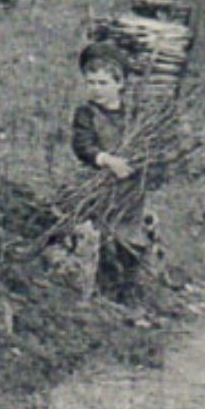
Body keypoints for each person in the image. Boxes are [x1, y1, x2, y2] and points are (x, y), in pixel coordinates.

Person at [69, 41, 152, 302]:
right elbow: (82, 145)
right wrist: (105, 160)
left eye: (103, 83)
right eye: (91, 82)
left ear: (120, 84)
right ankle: (103, 290)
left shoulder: (134, 117)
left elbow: (147, 149)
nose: (96, 89)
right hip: (99, 185)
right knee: (104, 236)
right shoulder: (86, 113)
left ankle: (130, 293)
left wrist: (138, 164)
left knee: (131, 239)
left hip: (130, 189)